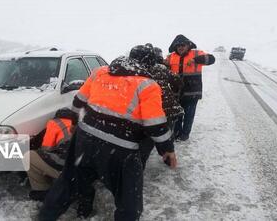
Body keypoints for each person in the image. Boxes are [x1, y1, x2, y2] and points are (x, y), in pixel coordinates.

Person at [39, 45, 177, 221]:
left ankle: (46, 216)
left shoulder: (100, 72)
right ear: (148, 64)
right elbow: (155, 124)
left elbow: (79, 101)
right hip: (121, 150)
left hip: (84, 140)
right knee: (129, 200)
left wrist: (74, 122)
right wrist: (167, 149)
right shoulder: (147, 85)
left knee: (68, 182)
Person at [139, 44, 184, 169]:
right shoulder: (162, 68)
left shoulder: (141, 70)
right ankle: (168, 159)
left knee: (146, 141)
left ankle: (140, 164)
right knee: (165, 137)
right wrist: (173, 92)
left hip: (150, 111)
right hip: (168, 110)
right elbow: (178, 81)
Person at [166, 34, 215, 141]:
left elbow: (212, 59)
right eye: (178, 45)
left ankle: (185, 134)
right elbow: (164, 68)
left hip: (192, 93)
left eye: (183, 45)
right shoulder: (170, 57)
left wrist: (196, 60)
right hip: (176, 93)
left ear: (188, 45)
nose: (180, 47)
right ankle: (177, 133)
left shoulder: (196, 53)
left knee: (189, 115)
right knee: (177, 115)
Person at [23, 108, 77, 201]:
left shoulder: (55, 123)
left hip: (68, 169)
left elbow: (46, 149)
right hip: (83, 169)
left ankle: (42, 191)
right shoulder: (80, 125)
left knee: (29, 156)